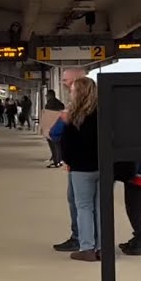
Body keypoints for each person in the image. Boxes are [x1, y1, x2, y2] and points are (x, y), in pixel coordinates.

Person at [58, 76, 100, 262]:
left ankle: (86, 248)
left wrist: (68, 161)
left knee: (83, 207)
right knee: (100, 208)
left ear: (79, 93)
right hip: (102, 168)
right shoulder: (102, 113)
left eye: (73, 90)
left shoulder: (74, 116)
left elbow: (66, 145)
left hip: (81, 170)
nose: (71, 93)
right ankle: (102, 247)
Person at [50, 68, 87, 252]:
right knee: (92, 206)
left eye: (67, 82)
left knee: (79, 204)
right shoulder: (99, 105)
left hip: (79, 167)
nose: (65, 84)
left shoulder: (73, 109)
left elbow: (55, 134)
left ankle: (80, 239)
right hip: (96, 164)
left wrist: (62, 120)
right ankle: (93, 241)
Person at [41, 89, 65, 167]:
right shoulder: (60, 103)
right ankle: (59, 160)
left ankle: (56, 161)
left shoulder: (49, 104)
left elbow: (47, 116)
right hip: (59, 125)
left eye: (47, 95)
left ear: (50, 95)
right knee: (58, 144)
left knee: (52, 144)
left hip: (51, 126)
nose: (46, 97)